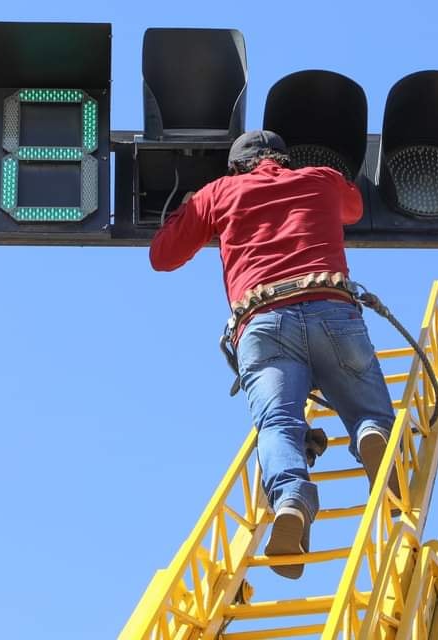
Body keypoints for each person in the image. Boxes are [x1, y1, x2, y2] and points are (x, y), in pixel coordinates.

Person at [149, 130, 397, 579]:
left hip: (262, 322)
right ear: (284, 158)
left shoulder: (218, 193)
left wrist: (190, 208)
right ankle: (370, 434)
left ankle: (291, 501)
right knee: (367, 408)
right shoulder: (319, 178)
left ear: (235, 167)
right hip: (331, 307)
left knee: (278, 423)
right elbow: (354, 208)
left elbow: (162, 256)